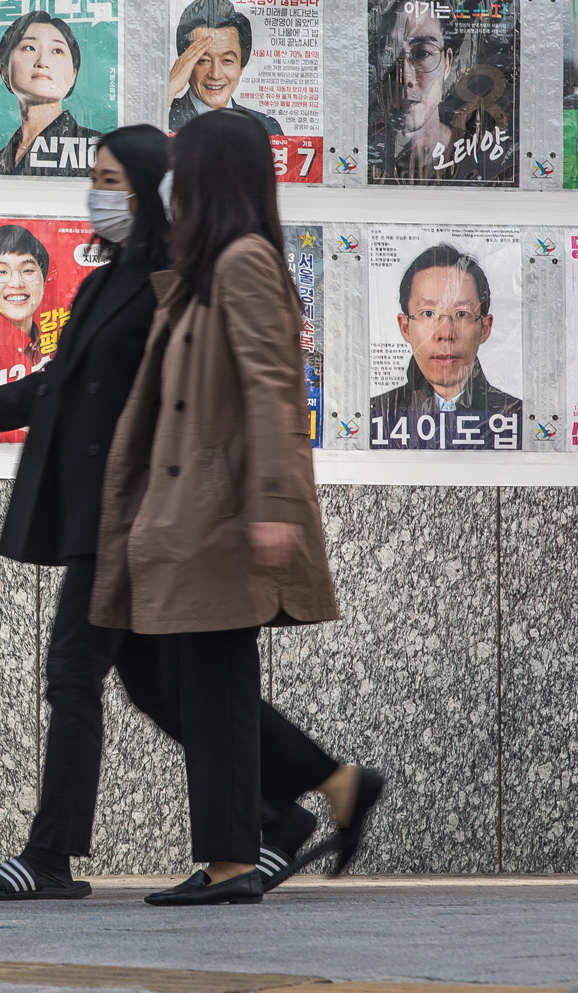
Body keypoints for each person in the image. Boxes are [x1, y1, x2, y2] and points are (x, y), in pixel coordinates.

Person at [0, 126, 341, 902]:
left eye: (113, 178)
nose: (97, 194)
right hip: (100, 512)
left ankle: (54, 855)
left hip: (143, 513)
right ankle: (295, 801)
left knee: (87, 673)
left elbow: (266, 390)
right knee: (160, 685)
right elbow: (58, 384)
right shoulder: (112, 280)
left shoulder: (197, 273)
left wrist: (268, 505)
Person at [92, 110, 383, 907]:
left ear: (213, 174)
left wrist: (272, 505)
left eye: (182, 167)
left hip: (224, 516)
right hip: (193, 516)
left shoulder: (247, 262)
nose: (167, 182)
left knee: (216, 691)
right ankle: (284, 816)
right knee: (193, 687)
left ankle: (231, 861)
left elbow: (273, 392)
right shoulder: (208, 266)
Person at [367, 0, 511, 184]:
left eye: (422, 53)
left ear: (447, 63)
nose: (405, 76)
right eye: (390, 57)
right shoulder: (368, 163)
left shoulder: (485, 160)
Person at [370, 242, 522, 419]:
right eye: (428, 313)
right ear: (405, 327)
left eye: (462, 314)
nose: (445, 334)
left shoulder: (513, 415)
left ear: (484, 328)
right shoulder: (378, 415)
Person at [0, 11, 102, 176]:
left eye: (57, 51)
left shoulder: (97, 149)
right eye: (29, 48)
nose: (42, 62)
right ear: (4, 70)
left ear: (73, 75)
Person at [166, 0, 283, 135]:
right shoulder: (162, 115)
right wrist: (168, 90)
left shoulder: (266, 126)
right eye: (203, 60)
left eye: (227, 61)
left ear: (241, 66)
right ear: (184, 64)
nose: (215, 75)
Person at [0, 224, 54, 386]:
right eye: (2, 272)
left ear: (43, 281)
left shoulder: (52, 342)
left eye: (28, 270)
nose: (16, 283)